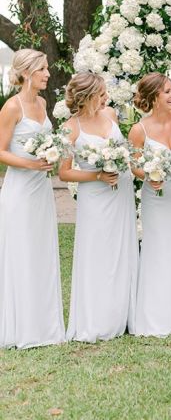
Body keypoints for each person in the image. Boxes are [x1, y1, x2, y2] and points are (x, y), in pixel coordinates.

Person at [59, 73, 138, 342]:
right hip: (95, 197)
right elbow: (64, 173)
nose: (106, 97)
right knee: (97, 253)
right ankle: (97, 317)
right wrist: (97, 175)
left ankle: (121, 314)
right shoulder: (71, 128)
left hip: (121, 191)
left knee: (120, 250)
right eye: (101, 93)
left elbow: (123, 150)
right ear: (87, 96)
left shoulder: (111, 115)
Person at [0, 49, 65, 349]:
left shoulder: (42, 102)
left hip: (42, 190)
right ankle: (21, 325)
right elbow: (0, 151)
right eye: (43, 69)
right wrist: (32, 164)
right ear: (27, 72)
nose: (48, 74)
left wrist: (51, 154)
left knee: (41, 250)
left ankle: (43, 322)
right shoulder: (11, 107)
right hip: (20, 191)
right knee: (22, 252)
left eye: (47, 68)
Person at [129, 73, 171, 337]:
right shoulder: (139, 130)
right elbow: (134, 165)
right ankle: (155, 316)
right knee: (158, 250)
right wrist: (148, 176)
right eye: (167, 91)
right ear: (154, 96)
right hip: (155, 198)